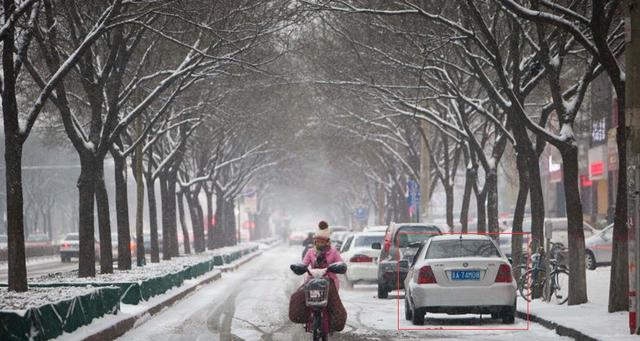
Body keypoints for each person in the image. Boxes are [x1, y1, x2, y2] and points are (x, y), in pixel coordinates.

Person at [290, 220, 347, 332]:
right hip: (312, 281)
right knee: (300, 297)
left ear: (327, 241)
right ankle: (307, 315)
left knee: (332, 303)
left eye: (322, 241)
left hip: (330, 282)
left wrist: (338, 267)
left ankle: (331, 322)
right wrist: (301, 267)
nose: (320, 243)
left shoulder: (334, 252)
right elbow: (304, 263)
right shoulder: (310, 252)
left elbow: (341, 263)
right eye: (318, 240)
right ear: (315, 241)